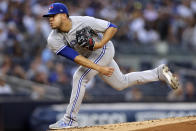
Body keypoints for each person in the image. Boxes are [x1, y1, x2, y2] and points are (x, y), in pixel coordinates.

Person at [43, 3, 180, 129]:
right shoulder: (53, 39)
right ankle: (157, 73)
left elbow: (112, 27)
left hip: (103, 50)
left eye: (53, 16)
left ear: (64, 15)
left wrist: (100, 43)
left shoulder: (83, 21)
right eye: (49, 17)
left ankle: (70, 119)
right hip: (89, 57)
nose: (50, 19)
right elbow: (77, 58)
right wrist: (100, 68)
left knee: (79, 77)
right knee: (121, 83)